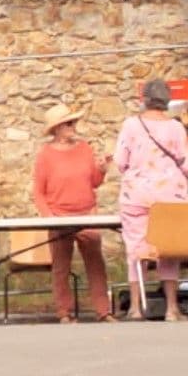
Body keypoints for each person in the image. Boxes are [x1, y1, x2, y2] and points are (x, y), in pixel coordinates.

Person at [116, 77, 188, 322]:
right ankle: (171, 308)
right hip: (170, 196)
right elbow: (187, 165)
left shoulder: (131, 125)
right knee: (168, 249)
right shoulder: (177, 128)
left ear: (145, 99)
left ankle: (135, 307)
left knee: (136, 248)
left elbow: (120, 161)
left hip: (136, 194)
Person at [32, 103, 114, 323]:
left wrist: (102, 170)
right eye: (69, 123)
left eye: (73, 122)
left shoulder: (84, 148)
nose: (73, 126)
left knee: (96, 264)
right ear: (57, 128)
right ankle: (64, 313)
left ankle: (103, 311)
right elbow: (38, 192)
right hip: (59, 216)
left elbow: (93, 182)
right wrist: (48, 218)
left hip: (86, 215)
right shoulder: (46, 155)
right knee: (61, 266)